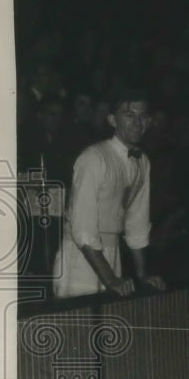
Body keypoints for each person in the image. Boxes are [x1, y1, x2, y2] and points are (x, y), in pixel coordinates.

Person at [53, 89, 166, 299]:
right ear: (113, 120)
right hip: (80, 258)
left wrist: (142, 276)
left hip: (112, 256)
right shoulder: (94, 158)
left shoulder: (143, 161)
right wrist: (110, 278)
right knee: (76, 327)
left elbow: (137, 224)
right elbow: (83, 228)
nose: (137, 123)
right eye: (129, 115)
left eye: (143, 117)